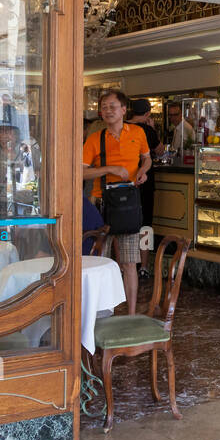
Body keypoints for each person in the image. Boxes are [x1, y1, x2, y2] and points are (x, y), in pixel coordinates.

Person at [82, 89, 150, 312]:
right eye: (104, 107)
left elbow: (147, 158)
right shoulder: (94, 139)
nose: (108, 111)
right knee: (98, 260)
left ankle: (131, 314)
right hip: (101, 206)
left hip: (128, 205)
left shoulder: (138, 133)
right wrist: (108, 168)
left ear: (123, 109)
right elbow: (80, 173)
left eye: (112, 106)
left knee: (130, 263)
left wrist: (143, 170)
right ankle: (99, 312)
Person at [128, 99, 165, 278]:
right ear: (148, 113)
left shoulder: (121, 127)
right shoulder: (147, 130)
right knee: (145, 224)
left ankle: (125, 265)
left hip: (124, 182)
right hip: (144, 181)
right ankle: (143, 266)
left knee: (124, 224)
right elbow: (160, 151)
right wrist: (153, 130)